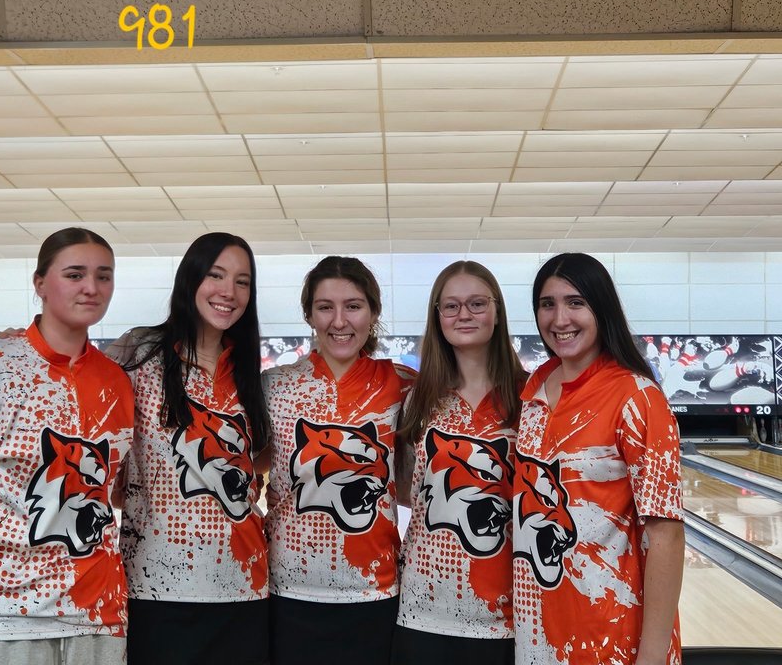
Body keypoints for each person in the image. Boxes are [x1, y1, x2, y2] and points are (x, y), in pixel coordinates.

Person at [0, 227, 134, 665]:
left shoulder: (116, 381)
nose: (91, 287)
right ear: (40, 284)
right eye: (74, 274)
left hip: (98, 613)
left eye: (103, 275)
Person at [512, 252, 684, 665]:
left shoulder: (637, 397)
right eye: (547, 304)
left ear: (601, 308)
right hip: (538, 634)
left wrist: (652, 657)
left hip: (611, 635)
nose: (560, 319)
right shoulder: (532, 393)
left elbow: (666, 535)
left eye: (576, 302)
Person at [111, 233, 269, 665]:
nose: (228, 292)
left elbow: (262, 462)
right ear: (190, 278)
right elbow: (76, 382)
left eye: (242, 281)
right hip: (156, 587)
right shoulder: (138, 353)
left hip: (245, 587)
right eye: (216, 275)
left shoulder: (251, 374)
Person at [262, 255, 415, 665]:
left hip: (375, 589)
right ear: (309, 314)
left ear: (374, 312)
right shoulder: (273, 387)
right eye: (325, 307)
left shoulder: (401, 385)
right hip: (287, 589)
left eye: (353, 305)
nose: (339, 321)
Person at [392, 260, 526, 665]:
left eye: (477, 303)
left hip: (507, 613)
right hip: (422, 607)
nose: (463, 314)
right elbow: (405, 492)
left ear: (498, 311)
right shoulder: (418, 400)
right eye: (450, 306)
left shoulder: (532, 398)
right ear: (438, 316)